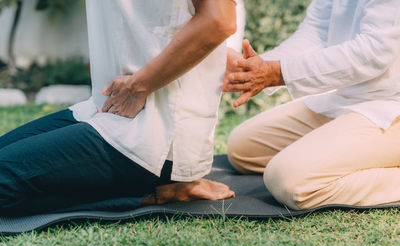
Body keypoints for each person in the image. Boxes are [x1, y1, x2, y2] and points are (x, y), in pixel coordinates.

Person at [0, 0, 238, 216]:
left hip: (155, 133)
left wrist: (139, 85)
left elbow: (218, 20)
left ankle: (152, 194)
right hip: (106, 110)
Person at [225, 0, 400, 210]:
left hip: (391, 106)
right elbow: (316, 32)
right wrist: (252, 67)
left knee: (290, 182)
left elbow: (373, 52)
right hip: (350, 98)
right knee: (243, 148)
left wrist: (275, 73)